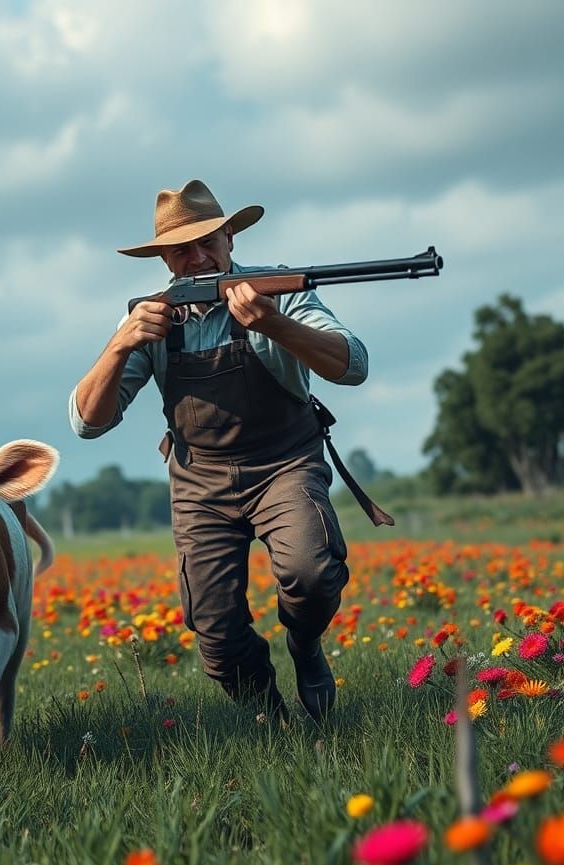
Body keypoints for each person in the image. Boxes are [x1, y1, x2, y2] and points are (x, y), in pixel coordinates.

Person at [69, 179, 377, 723]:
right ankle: (274, 724)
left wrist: (274, 323)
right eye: (182, 249)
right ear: (164, 259)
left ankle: (305, 644)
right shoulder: (150, 317)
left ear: (230, 237)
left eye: (209, 240)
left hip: (286, 463)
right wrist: (120, 344)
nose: (198, 256)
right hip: (199, 482)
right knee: (214, 631)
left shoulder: (275, 291)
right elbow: (87, 424)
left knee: (311, 573)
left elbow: (352, 364)